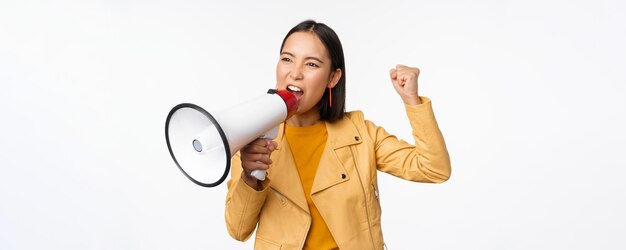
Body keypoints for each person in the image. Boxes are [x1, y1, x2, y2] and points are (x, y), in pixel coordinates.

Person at [224, 20, 451, 250]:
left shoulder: (361, 133)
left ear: (332, 78)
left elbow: (434, 168)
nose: (295, 73)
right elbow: (238, 229)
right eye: (287, 59)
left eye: (311, 64)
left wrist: (412, 100)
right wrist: (250, 177)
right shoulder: (252, 139)